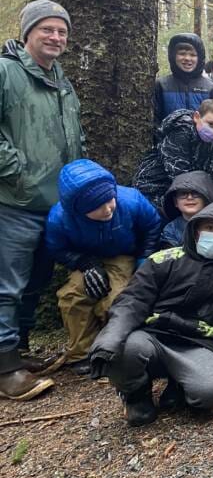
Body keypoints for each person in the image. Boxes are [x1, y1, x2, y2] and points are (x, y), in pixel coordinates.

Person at [88, 201, 213, 427]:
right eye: (210, 228)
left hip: (196, 343)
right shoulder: (163, 260)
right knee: (122, 348)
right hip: (151, 335)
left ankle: (179, 384)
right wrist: (109, 339)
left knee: (212, 392)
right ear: (196, 230)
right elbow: (132, 301)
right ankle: (136, 396)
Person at [0, 0, 84, 400]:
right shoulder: (6, 72)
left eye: (62, 32)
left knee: (34, 283)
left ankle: (19, 350)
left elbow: (74, 136)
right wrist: (14, 169)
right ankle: (5, 367)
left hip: (52, 204)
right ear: (28, 32)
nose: (55, 37)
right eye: (47, 30)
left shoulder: (61, 82)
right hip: (13, 201)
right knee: (7, 285)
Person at [45, 159, 162, 374]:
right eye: (97, 207)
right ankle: (80, 352)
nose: (108, 208)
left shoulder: (130, 200)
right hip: (86, 258)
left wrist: (144, 259)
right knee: (72, 297)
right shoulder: (59, 219)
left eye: (110, 199)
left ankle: (114, 348)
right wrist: (83, 263)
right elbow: (56, 248)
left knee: (116, 298)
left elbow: (152, 225)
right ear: (79, 210)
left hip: (123, 255)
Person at [133, 99, 213, 213]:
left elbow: (212, 172)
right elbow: (178, 171)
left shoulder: (212, 142)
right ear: (196, 117)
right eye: (211, 124)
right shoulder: (181, 131)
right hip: (154, 186)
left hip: (185, 190)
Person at [153, 33, 213, 126]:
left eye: (193, 55)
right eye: (182, 54)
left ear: (200, 58)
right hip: (167, 139)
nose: (187, 58)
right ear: (173, 56)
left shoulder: (211, 88)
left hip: (203, 140)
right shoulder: (161, 85)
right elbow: (154, 121)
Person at [160, 171, 213, 249]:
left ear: (205, 199)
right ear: (176, 202)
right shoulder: (171, 229)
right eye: (183, 194)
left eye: (196, 193)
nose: (189, 198)